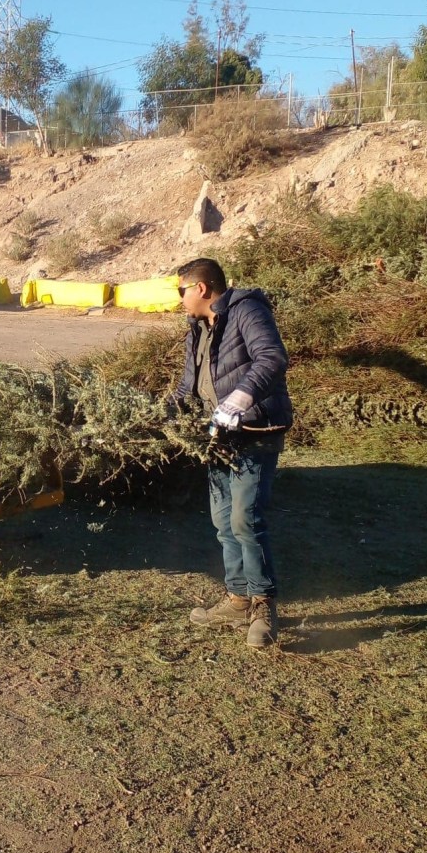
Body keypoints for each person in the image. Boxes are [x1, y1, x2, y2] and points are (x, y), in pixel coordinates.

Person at [172, 257, 293, 648]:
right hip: (218, 437)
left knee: (245, 519)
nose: (179, 300)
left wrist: (241, 396)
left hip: (256, 429)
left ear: (201, 288)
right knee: (223, 520)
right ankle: (238, 599)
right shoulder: (198, 327)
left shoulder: (247, 310)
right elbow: (188, 387)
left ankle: (263, 605)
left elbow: (272, 358)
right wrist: (153, 417)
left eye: (181, 291)